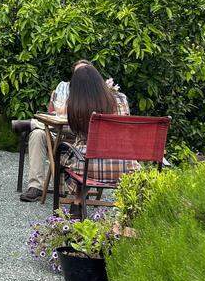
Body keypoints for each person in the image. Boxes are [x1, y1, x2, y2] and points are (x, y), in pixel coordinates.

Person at [19, 60, 130, 202]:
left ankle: (76, 199)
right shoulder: (121, 99)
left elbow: (73, 128)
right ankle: (36, 186)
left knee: (61, 152)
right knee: (37, 135)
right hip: (123, 164)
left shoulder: (78, 104)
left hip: (85, 162)